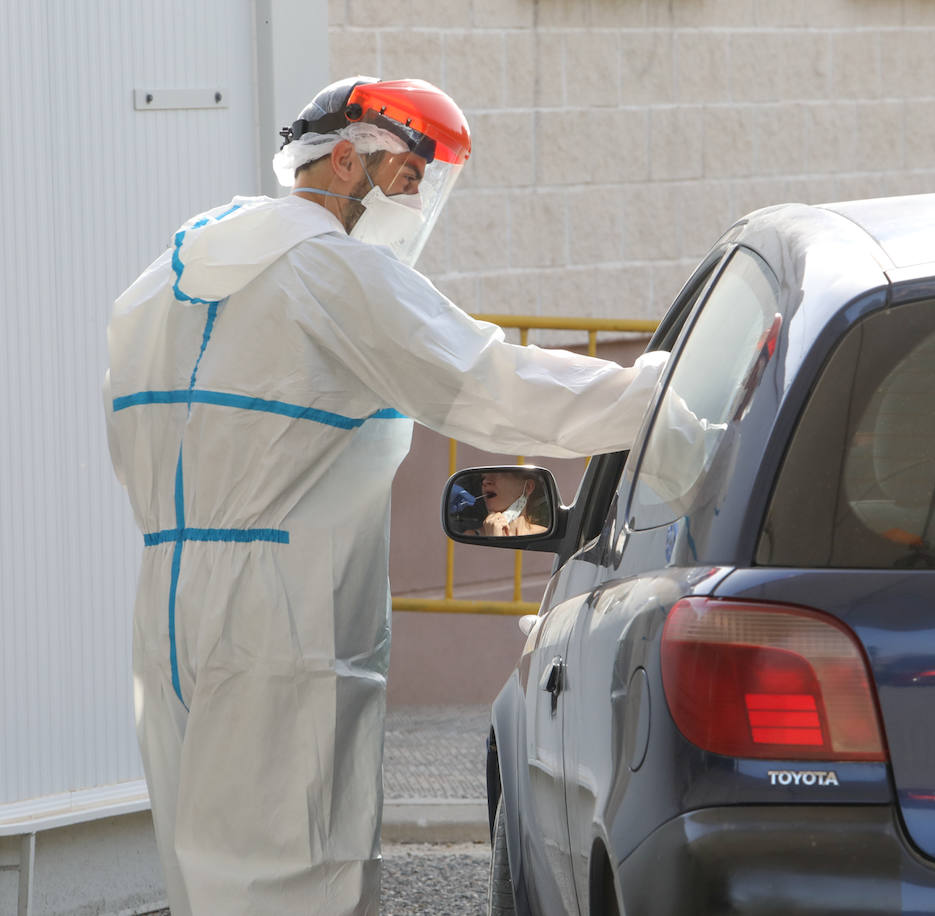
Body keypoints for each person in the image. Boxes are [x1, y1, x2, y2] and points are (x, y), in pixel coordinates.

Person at [102, 75, 668, 916]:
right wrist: (659, 394)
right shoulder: (332, 272)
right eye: (407, 177)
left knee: (207, 867)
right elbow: (487, 381)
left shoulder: (161, 281)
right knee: (300, 861)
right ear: (342, 160)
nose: (414, 202)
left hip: (167, 604)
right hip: (287, 611)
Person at [467, 469, 550, 536]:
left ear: (528, 487)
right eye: (483, 478)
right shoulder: (471, 536)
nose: (485, 482)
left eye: (496, 474)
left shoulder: (544, 535)